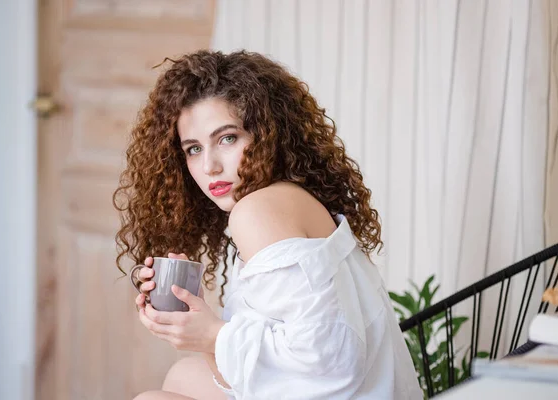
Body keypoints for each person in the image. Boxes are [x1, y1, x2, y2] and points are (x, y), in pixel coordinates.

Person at [113, 50, 422, 400]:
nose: (210, 166)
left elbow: (332, 365)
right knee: (184, 375)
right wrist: (199, 328)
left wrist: (214, 334)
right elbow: (245, 381)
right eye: (194, 149)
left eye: (227, 138)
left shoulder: (257, 212)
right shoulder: (286, 199)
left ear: (267, 133)